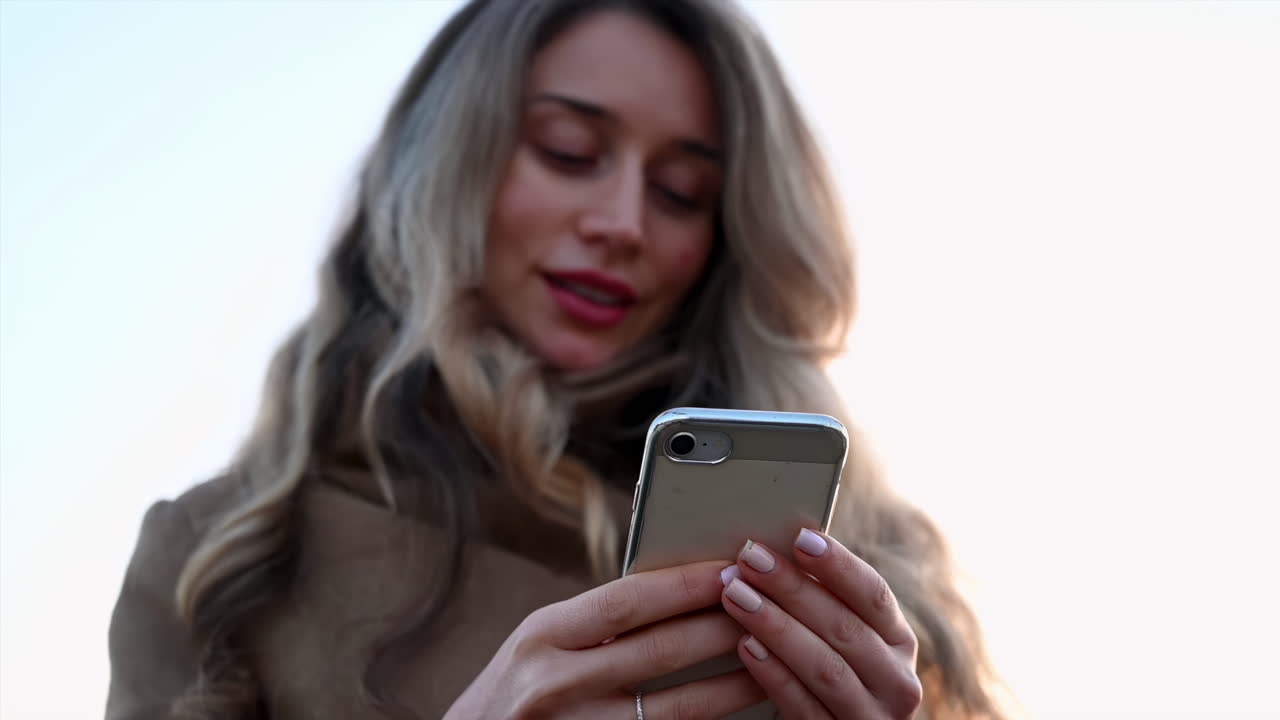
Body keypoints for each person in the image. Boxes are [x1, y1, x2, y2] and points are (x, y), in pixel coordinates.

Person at [107, 1, 1005, 718]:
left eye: (681, 192)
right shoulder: (224, 560)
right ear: (449, 169)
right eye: (569, 152)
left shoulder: (852, 565)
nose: (622, 222)